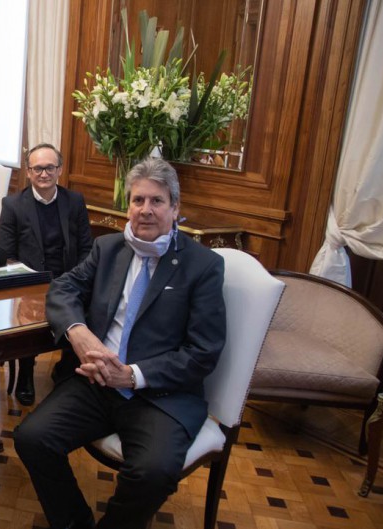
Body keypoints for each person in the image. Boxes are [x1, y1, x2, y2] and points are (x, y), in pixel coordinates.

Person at [14, 158, 226, 529]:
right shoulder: (109, 248)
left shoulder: (202, 265)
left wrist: (132, 376)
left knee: (153, 473)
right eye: (138, 200)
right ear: (128, 206)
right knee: (32, 438)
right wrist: (77, 331)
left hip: (160, 394)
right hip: (95, 383)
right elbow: (63, 288)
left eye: (156, 201)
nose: (145, 210)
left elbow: (202, 353)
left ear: (175, 208)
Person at [0, 143, 93, 406]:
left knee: (89, 308)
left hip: (69, 278)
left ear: (59, 169)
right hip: (31, 283)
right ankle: (25, 373)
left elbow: (87, 247)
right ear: (28, 171)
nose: (43, 174)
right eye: (37, 168)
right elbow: (7, 252)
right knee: (27, 315)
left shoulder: (75, 201)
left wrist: (78, 279)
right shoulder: (13, 204)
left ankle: (66, 371)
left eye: (49, 168)